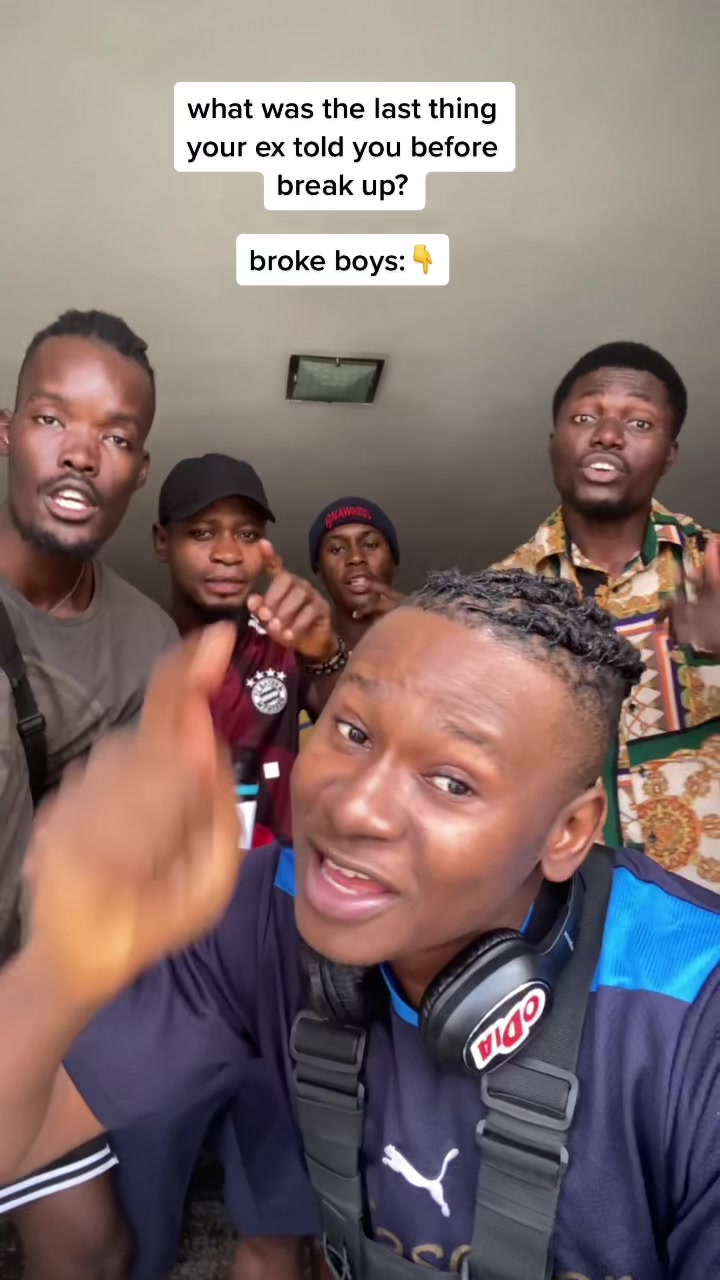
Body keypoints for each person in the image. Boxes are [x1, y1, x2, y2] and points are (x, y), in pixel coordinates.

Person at [1, 569, 720, 1280]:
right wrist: (64, 963)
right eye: (352, 732)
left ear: (568, 832)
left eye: (452, 781)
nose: (352, 809)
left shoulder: (693, 1009)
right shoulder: (262, 910)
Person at [0, 309, 179, 1279]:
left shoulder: (147, 640)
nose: (80, 454)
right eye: (51, 419)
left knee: (93, 1251)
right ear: (6, 431)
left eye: (115, 437)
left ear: (138, 469)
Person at [496, 341, 720, 889]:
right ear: (554, 441)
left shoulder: (713, 566)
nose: (608, 435)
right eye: (584, 417)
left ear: (669, 454)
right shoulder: (496, 603)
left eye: (639, 423)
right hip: (567, 918)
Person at [154, 454, 350, 842]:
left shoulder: (283, 646)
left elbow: (363, 729)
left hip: (274, 876)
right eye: (202, 533)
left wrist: (326, 651)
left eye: (247, 535)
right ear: (163, 542)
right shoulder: (136, 649)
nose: (228, 554)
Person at [301, 496, 402, 750]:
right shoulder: (301, 662)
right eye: (337, 549)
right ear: (319, 570)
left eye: (370, 544)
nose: (355, 558)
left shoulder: (436, 640)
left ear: (393, 559)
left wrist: (413, 628)